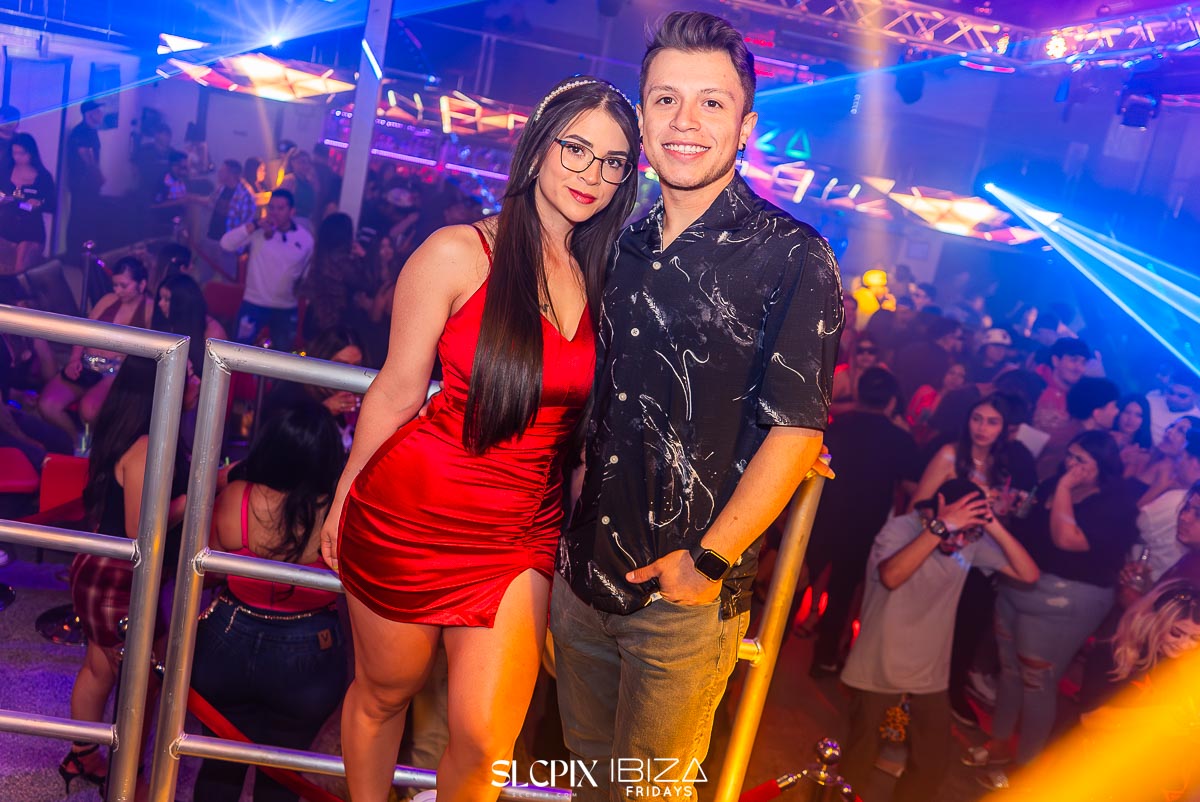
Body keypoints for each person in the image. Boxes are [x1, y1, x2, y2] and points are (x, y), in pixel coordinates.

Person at [318, 75, 639, 802]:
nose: (592, 174)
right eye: (577, 149)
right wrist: (344, 497)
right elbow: (397, 391)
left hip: (521, 530)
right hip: (411, 514)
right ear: (538, 149)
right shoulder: (457, 253)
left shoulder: (609, 280)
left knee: (487, 738)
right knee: (385, 693)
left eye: (614, 162)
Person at [552, 13, 841, 802]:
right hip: (581, 582)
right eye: (666, 100)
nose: (685, 121)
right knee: (587, 783)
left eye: (711, 103)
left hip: (681, 601)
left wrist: (707, 563)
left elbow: (798, 429)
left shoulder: (792, 255)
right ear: (642, 120)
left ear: (746, 127)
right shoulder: (615, 245)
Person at [839, 478, 1038, 802]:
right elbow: (891, 576)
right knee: (858, 760)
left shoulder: (969, 541)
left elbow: (1029, 574)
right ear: (938, 507)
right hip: (879, 665)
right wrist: (941, 527)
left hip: (930, 676)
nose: (959, 541)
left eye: (968, 533)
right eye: (957, 531)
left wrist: (991, 524)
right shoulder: (901, 529)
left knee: (931, 764)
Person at [190, 400, 347, 802]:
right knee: (281, 776)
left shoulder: (236, 495)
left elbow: (211, 568)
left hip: (228, 636)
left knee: (219, 766)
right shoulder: (338, 511)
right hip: (310, 648)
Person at [971, 431, 1139, 785]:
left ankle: (1026, 769)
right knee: (1009, 670)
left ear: (1102, 466)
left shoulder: (1114, 503)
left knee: (1037, 682)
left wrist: (1063, 487)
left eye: (1082, 461)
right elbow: (1028, 528)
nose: (1071, 465)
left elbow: (1067, 539)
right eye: (1071, 455)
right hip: (1021, 583)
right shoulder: (1051, 484)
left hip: (1067, 599)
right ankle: (998, 743)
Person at [60, 357, 187, 793]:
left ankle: (83, 756)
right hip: (117, 575)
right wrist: (199, 495)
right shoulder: (148, 443)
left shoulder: (128, 430)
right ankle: (127, 775)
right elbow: (140, 528)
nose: (195, 379)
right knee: (143, 681)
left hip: (102, 564)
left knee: (99, 667)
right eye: (188, 372)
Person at [798, 368, 919, 676]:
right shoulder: (899, 439)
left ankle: (770, 647)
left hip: (822, 518)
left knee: (797, 584)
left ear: (859, 394)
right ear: (891, 402)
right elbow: (914, 488)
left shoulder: (837, 427)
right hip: (864, 527)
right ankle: (824, 659)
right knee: (842, 593)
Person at [38, 256, 154, 441]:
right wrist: (74, 359)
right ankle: (77, 444)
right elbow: (84, 331)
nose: (118, 290)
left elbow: (150, 351)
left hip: (115, 372)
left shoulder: (150, 309)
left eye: (124, 286)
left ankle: (99, 446)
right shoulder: (108, 299)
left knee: (89, 410)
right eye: (115, 285)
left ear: (142, 284)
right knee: (47, 405)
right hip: (86, 365)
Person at [220, 188, 314, 351]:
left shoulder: (305, 239)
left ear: (292, 211)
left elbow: (307, 271)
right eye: (272, 207)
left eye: (280, 208)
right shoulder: (257, 231)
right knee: (238, 352)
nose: (274, 212)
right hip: (254, 303)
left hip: (286, 307)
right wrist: (255, 225)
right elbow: (226, 244)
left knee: (283, 356)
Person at [1036, 376, 1120, 481]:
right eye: (1114, 406)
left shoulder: (1070, 432)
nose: (1117, 411)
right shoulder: (1073, 443)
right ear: (1097, 413)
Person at [300, 211, 368, 340]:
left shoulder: (319, 255)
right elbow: (366, 284)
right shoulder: (342, 260)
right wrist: (364, 256)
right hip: (334, 320)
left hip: (314, 315)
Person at [200, 159, 256, 283]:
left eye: (222, 170)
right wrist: (190, 198)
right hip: (211, 239)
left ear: (231, 174)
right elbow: (210, 203)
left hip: (228, 247)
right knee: (204, 279)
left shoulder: (245, 195)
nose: (219, 173)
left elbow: (245, 225)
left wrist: (238, 249)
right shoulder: (221, 188)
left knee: (228, 282)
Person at [0, 132, 55, 257]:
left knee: (22, 263)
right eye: (14, 153)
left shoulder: (43, 176)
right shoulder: (5, 171)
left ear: (31, 153)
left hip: (30, 230)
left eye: (22, 153)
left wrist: (39, 203)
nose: (17, 157)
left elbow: (52, 205)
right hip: (5, 228)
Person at [65, 100, 105, 261]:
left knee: (87, 216)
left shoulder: (91, 131)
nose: (101, 114)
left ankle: (84, 252)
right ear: (89, 113)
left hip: (88, 182)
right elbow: (85, 155)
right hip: (82, 183)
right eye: (98, 111)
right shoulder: (81, 132)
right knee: (79, 217)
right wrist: (98, 174)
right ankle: (74, 254)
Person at [906, 361, 967, 446]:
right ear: (944, 374)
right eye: (951, 373)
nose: (955, 378)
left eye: (961, 376)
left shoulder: (958, 409)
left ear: (965, 382)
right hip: (907, 439)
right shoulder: (925, 391)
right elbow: (908, 415)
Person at [830, 335, 885, 417]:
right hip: (844, 423)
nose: (866, 355)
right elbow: (824, 405)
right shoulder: (843, 376)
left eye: (871, 351)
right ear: (853, 353)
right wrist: (854, 407)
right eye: (860, 350)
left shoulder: (882, 376)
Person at [1146, 367, 1200, 446]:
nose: (1173, 398)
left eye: (1182, 396)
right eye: (1171, 392)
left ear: (1196, 396)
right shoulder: (1152, 397)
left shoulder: (1197, 422)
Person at [1112, 394, 1152, 474]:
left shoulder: (1145, 449)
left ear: (1144, 420)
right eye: (1127, 412)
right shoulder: (1105, 437)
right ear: (1118, 413)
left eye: (1138, 415)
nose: (1131, 419)